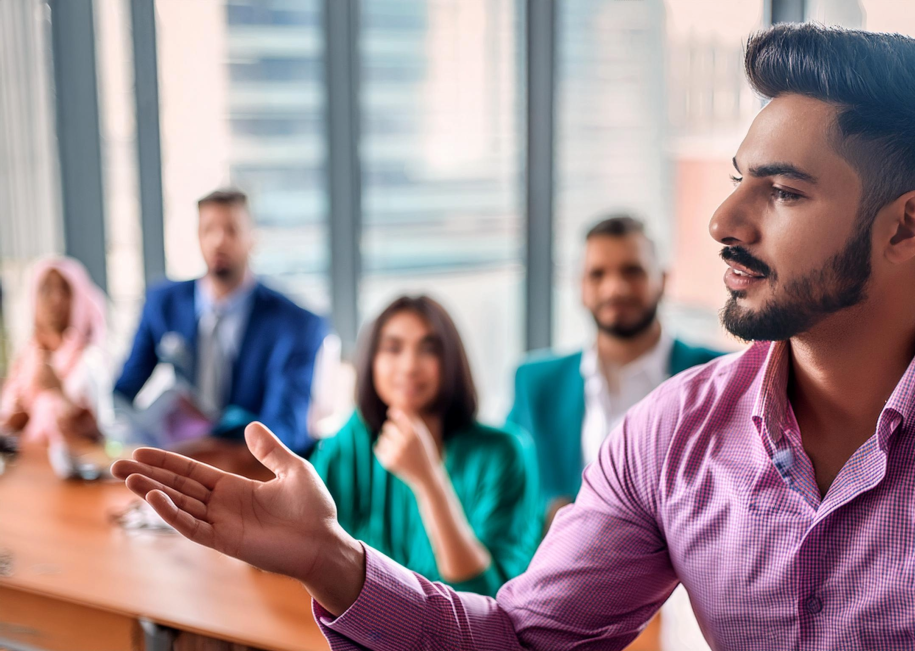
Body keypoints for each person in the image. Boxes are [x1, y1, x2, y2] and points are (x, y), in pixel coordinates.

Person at [113, 24, 915, 650]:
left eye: (781, 192)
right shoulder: (668, 436)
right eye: (739, 177)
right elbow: (520, 641)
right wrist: (336, 564)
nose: (725, 222)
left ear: (909, 224)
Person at [308, 296, 540, 597]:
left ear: (451, 361)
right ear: (370, 362)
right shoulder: (351, 441)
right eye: (393, 348)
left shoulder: (505, 452)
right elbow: (304, 541)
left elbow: (486, 595)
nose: (409, 366)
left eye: (428, 349)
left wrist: (428, 480)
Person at [507, 215, 723, 529]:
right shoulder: (536, 383)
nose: (615, 288)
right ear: (581, 288)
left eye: (632, 271)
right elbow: (513, 487)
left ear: (662, 280)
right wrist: (551, 511)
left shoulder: (718, 375)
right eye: (597, 274)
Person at [114, 189, 325, 472]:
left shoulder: (297, 324)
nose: (218, 241)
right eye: (208, 230)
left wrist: (208, 448)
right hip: (175, 464)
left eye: (231, 230)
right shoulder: (163, 303)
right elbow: (124, 390)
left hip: (254, 472)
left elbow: (286, 430)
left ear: (253, 239)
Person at [0, 257, 111, 447]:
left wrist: (59, 390)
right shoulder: (27, 356)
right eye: (46, 289)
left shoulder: (92, 356)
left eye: (64, 289)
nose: (56, 299)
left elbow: (105, 431)